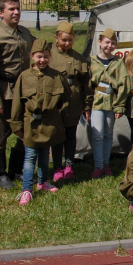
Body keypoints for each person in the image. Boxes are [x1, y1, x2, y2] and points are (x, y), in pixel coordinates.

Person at [0, 0, 36, 190]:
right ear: (1, 13)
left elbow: (39, 48)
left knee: (24, 129)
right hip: (3, 92)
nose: (16, 12)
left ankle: (16, 169)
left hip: (22, 91)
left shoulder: (25, 33)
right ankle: (0, 173)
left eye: (18, 8)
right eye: (11, 9)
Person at [9, 40, 70, 206]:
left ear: (49, 57)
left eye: (45, 57)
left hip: (49, 124)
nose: (42, 60)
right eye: (38, 57)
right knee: (30, 157)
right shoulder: (24, 77)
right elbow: (17, 103)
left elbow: (66, 98)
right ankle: (27, 189)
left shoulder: (57, 76)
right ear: (32, 57)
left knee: (44, 155)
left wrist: (58, 117)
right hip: (31, 124)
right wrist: (16, 125)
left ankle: (42, 182)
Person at [48, 21, 92, 182]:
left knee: (71, 135)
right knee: (58, 135)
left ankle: (69, 165)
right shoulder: (50, 56)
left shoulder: (79, 58)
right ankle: (57, 166)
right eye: (64, 40)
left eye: (70, 40)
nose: (67, 43)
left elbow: (87, 83)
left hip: (74, 101)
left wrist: (86, 104)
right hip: (57, 102)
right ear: (56, 38)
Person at [89, 28, 128, 179]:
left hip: (111, 103)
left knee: (107, 134)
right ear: (99, 42)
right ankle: (98, 165)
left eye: (113, 43)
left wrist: (120, 105)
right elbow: (88, 82)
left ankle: (105, 164)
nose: (109, 46)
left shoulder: (118, 62)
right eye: (106, 42)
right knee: (97, 134)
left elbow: (123, 83)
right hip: (96, 103)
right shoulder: (92, 61)